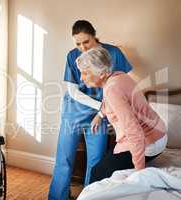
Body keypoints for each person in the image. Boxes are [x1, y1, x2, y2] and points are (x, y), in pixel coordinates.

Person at [48, 20, 133, 200]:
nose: (83, 47)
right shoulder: (72, 56)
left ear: (95, 36)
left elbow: (124, 80)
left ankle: (90, 196)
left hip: (99, 115)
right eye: (78, 43)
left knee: (95, 161)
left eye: (86, 41)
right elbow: (72, 91)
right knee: (64, 159)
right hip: (74, 111)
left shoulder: (114, 53)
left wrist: (108, 109)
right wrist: (102, 106)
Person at [76, 46, 167, 184]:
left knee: (97, 172)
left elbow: (134, 130)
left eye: (85, 73)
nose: (82, 78)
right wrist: (99, 115)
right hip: (160, 135)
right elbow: (111, 101)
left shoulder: (111, 89)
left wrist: (139, 171)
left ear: (100, 73)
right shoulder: (119, 76)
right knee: (110, 154)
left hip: (149, 142)